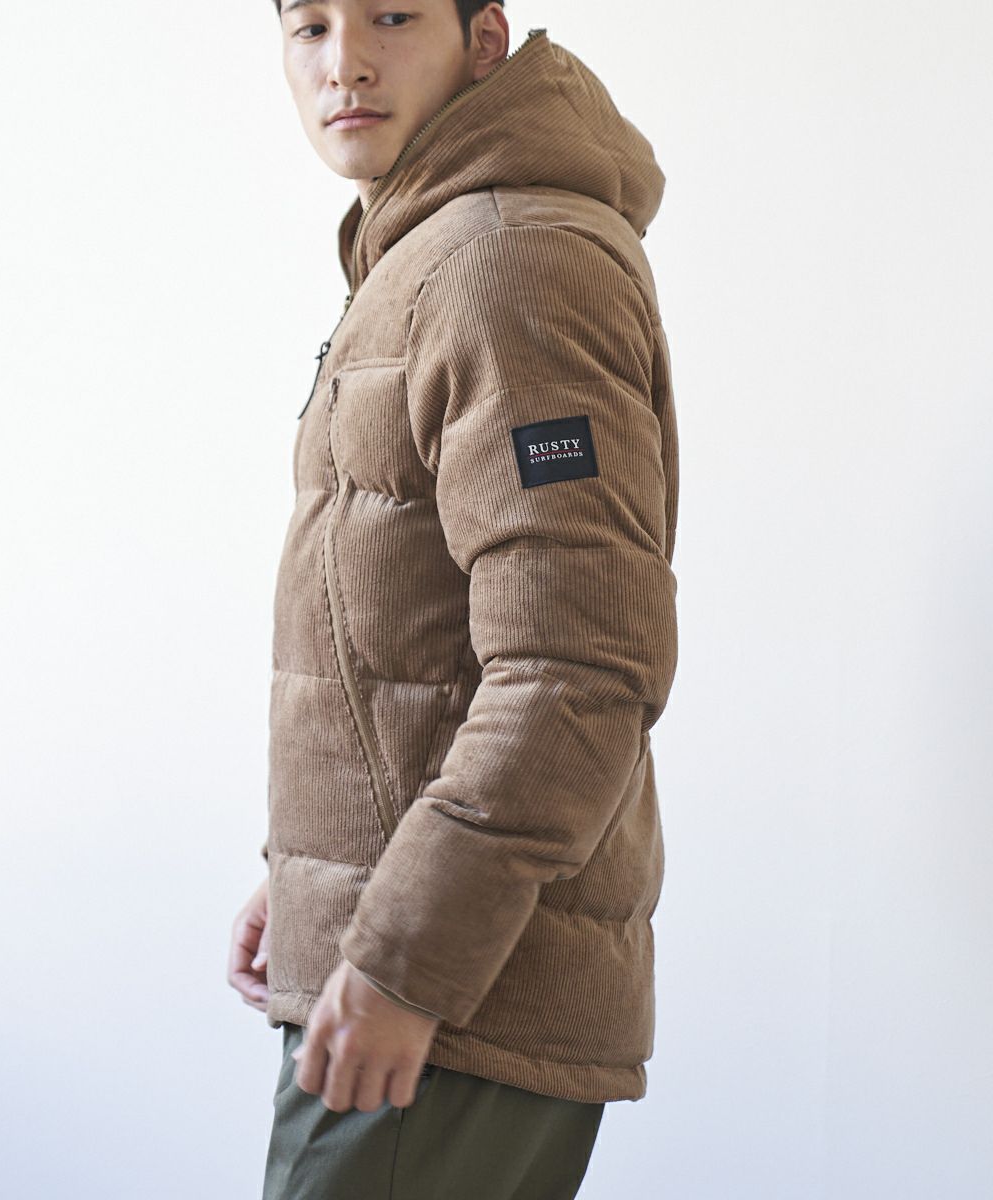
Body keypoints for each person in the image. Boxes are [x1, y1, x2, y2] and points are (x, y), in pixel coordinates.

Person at [227, 2, 680, 1196]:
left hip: (451, 999)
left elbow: (575, 666)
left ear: (484, 40)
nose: (344, 63)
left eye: (390, 15)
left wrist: (405, 960)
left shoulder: (503, 259)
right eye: (309, 26)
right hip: (412, 964)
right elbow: (403, 625)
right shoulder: (426, 248)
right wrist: (313, 872)